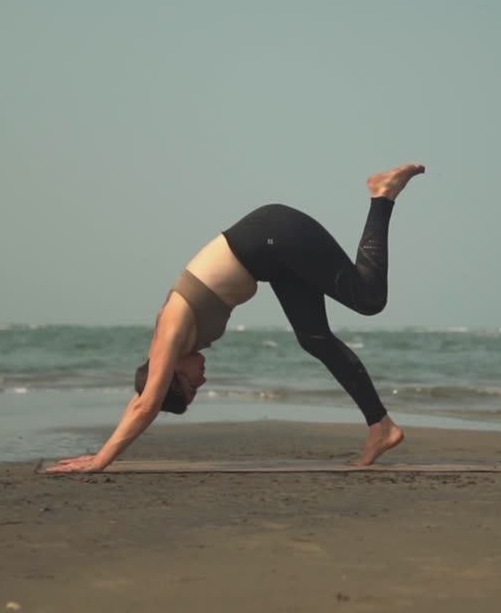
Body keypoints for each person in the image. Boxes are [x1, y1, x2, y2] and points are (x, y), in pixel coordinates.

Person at [45, 163, 426, 473]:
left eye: (193, 385)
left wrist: (101, 460)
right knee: (314, 338)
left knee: (369, 298)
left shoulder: (170, 332)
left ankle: (382, 194)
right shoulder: (172, 346)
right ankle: (382, 427)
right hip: (273, 260)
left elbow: (146, 406)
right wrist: (102, 449)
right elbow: (143, 399)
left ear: (174, 371)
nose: (203, 380)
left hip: (273, 235)